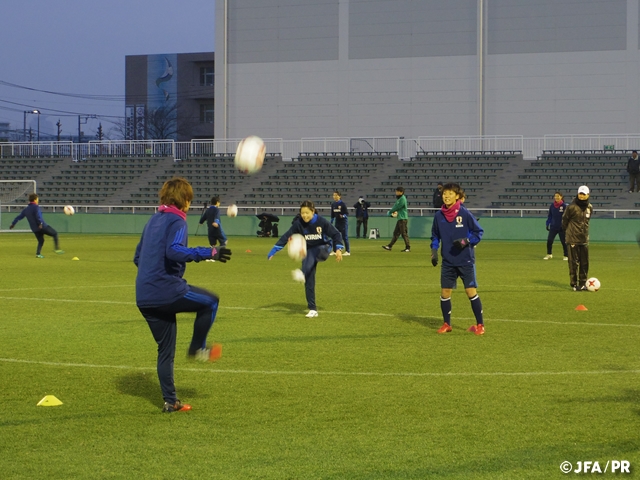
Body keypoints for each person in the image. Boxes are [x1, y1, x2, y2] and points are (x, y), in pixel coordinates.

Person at [134, 177, 232, 413]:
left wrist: (152, 275)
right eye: (189, 198)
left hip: (144, 297)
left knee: (165, 351)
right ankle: (197, 348)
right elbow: (174, 250)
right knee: (210, 301)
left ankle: (171, 402)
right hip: (166, 291)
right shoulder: (177, 221)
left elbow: (138, 257)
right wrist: (210, 252)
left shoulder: (152, 220)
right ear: (184, 200)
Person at [268, 200, 344, 318]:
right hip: (308, 252)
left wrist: (338, 248)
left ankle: (303, 272)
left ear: (313, 211)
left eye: (307, 213)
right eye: (302, 213)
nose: (304, 215)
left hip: (323, 248)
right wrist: (274, 249)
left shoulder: (321, 221)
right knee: (309, 280)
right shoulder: (299, 224)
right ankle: (312, 309)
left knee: (312, 255)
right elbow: (287, 235)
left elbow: (336, 234)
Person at [430, 183, 485, 335]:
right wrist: (434, 250)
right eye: (444, 194)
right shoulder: (438, 216)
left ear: (457, 196)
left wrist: (466, 241)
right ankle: (447, 324)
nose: (446, 196)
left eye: (450, 194)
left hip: (465, 260)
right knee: (445, 292)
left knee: (470, 291)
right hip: (448, 261)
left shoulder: (465, 213)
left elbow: (478, 232)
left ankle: (480, 325)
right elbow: (435, 235)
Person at [10, 193, 64, 258]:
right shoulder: (36, 207)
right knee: (54, 233)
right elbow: (38, 216)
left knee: (41, 240)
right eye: (37, 199)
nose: (38, 200)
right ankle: (57, 249)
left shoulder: (26, 209)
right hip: (42, 226)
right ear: (35, 200)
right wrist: (40, 223)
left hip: (35, 229)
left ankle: (38, 254)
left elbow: (19, 217)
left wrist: (13, 223)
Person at [561, 185, 593, 291]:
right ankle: (574, 284)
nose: (582, 196)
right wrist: (570, 233)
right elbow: (564, 221)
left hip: (584, 239)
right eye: (580, 194)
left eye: (584, 194)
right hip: (573, 239)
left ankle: (583, 283)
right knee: (573, 262)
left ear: (588, 195)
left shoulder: (589, 207)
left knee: (585, 262)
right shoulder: (571, 207)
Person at [382, 186, 410, 252]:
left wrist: (390, 212)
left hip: (403, 218)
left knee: (403, 233)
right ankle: (389, 246)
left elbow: (397, 207)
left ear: (401, 192)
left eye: (397, 191)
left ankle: (408, 247)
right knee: (396, 233)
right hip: (400, 218)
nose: (396, 193)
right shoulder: (399, 199)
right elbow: (396, 206)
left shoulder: (402, 199)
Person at [544, 192, 568, 261]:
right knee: (549, 240)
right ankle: (549, 254)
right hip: (553, 227)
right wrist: (547, 223)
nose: (556, 197)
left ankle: (566, 255)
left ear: (561, 197)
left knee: (564, 242)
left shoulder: (564, 206)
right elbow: (550, 216)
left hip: (562, 227)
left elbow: (567, 216)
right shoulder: (552, 206)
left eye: (558, 196)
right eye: (555, 196)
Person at [330, 190, 350, 255]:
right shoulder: (333, 204)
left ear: (339, 196)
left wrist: (343, 216)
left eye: (336, 195)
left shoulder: (342, 204)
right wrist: (331, 221)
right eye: (334, 195)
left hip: (343, 222)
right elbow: (332, 214)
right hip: (337, 222)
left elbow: (347, 213)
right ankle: (335, 250)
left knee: (345, 237)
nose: (334, 196)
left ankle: (348, 251)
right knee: (335, 236)